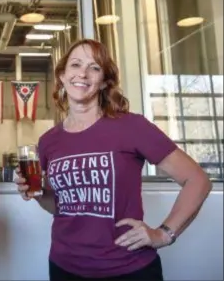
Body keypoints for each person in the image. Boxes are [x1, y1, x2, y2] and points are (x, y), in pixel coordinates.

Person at [15, 39, 212, 281]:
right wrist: (37, 193)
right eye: (76, 65)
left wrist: (164, 234)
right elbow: (61, 207)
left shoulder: (132, 126)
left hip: (128, 269)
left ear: (104, 82)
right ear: (63, 76)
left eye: (94, 67)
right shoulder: (48, 141)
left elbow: (198, 180)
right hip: (64, 266)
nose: (83, 74)